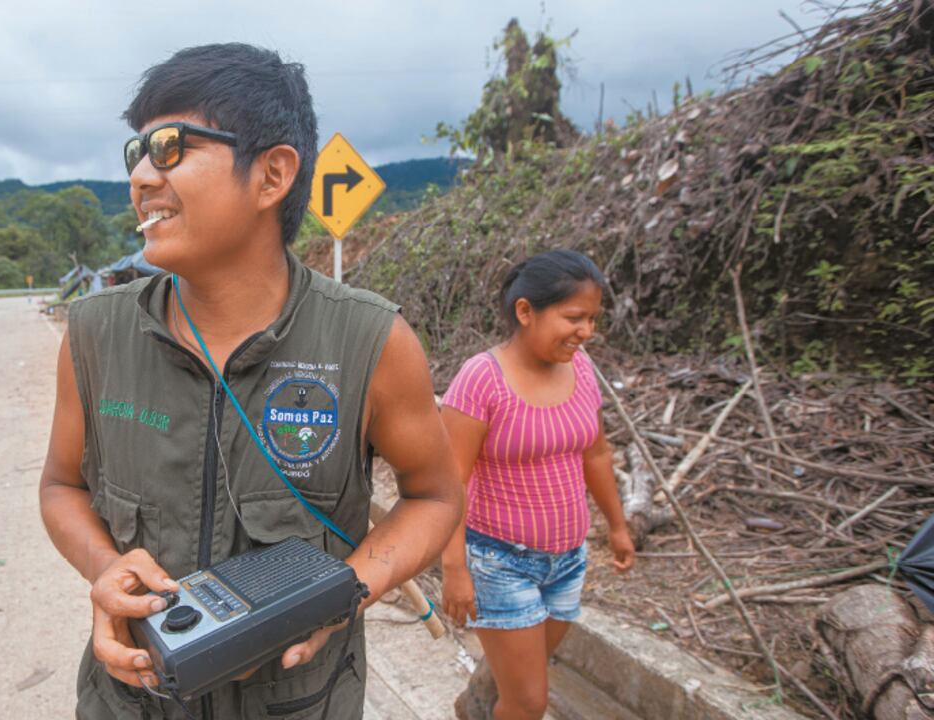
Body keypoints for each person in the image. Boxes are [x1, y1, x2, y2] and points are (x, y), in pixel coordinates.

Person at [39, 43, 463, 720]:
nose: (142, 176)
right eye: (137, 152)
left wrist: (347, 592)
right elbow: (62, 487)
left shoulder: (371, 341)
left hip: (302, 702)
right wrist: (102, 567)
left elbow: (434, 498)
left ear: (272, 175)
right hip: (132, 701)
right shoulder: (94, 334)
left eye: (171, 147)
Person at [438, 250, 635, 720]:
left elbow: (596, 453)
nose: (586, 332)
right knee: (530, 702)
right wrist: (454, 568)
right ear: (526, 311)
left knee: (522, 673)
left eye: (592, 319)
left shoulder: (581, 369)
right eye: (574, 317)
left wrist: (617, 526)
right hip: (499, 563)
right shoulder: (481, 379)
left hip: (568, 560)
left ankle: (476, 707)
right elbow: (447, 483)